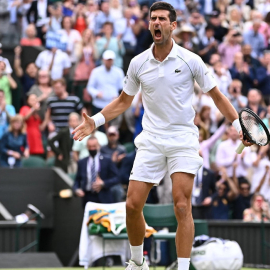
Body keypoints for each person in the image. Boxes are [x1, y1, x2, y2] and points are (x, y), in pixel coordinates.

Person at [72, 2, 252, 269]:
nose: (156, 23)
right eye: (153, 19)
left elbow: (216, 96)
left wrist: (239, 126)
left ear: (173, 25)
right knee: (132, 206)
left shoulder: (191, 60)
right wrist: (95, 122)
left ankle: (182, 267)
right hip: (151, 140)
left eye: (162, 19)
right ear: (149, 24)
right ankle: (136, 262)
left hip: (182, 140)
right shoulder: (138, 63)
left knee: (181, 206)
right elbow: (123, 102)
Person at [72, 136, 120, 207]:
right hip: (88, 197)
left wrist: (104, 183)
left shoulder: (107, 160)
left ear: (98, 146)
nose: (92, 149)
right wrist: (76, 189)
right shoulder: (82, 162)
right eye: (90, 146)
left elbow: (117, 178)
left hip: (104, 196)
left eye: (94, 146)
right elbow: (77, 180)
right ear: (87, 147)